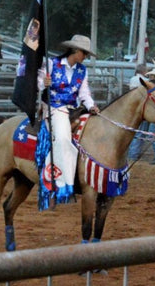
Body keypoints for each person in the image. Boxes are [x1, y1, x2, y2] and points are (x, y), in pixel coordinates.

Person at [37, 34, 100, 195]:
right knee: (64, 138)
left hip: (73, 108)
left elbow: (84, 93)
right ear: (75, 50)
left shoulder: (82, 70)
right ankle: (61, 182)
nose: (85, 57)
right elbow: (36, 84)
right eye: (84, 53)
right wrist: (44, 84)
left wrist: (91, 106)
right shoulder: (52, 64)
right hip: (54, 107)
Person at [128, 68, 155, 165]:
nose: (149, 77)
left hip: (151, 113)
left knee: (143, 133)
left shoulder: (154, 87)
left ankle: (134, 155)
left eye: (151, 76)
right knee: (150, 134)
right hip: (151, 112)